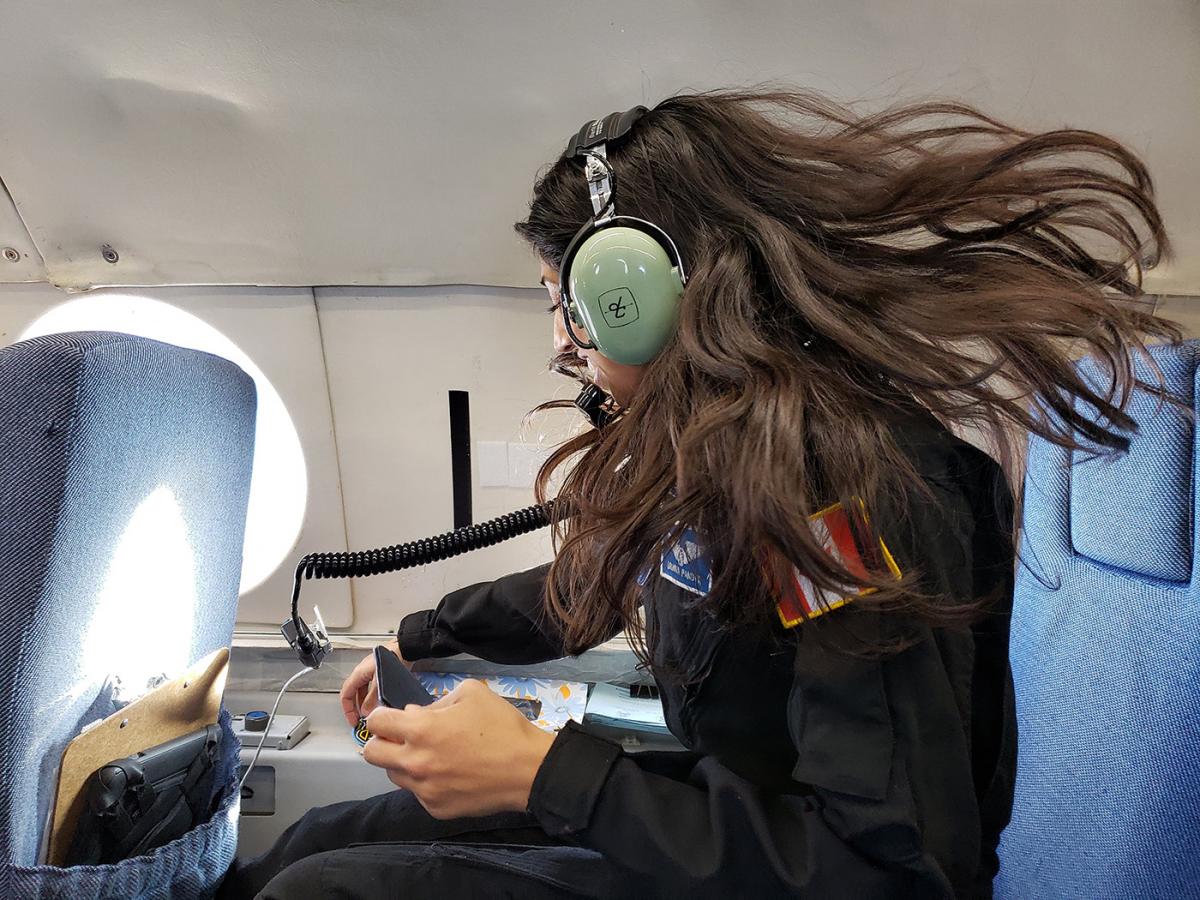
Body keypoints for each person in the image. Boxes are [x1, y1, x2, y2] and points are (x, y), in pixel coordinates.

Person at [220, 90, 1176, 899]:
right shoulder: (734, 453)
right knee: (325, 836)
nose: (561, 339)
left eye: (565, 298)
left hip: (791, 866)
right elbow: (621, 580)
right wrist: (422, 633)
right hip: (726, 823)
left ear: (633, 289)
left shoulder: (841, 499)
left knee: (326, 890)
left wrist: (546, 773)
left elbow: (885, 870)